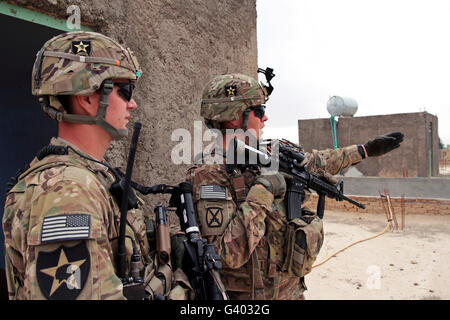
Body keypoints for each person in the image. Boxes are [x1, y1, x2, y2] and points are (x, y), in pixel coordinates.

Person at [2, 31, 191, 300]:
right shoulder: (68, 191)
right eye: (125, 91)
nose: (133, 104)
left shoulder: (91, 177)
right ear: (88, 98)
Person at [187, 73, 404, 300]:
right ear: (233, 118)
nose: (265, 118)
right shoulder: (209, 173)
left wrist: (364, 150)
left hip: (290, 291)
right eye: (258, 111)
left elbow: (316, 161)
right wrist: (263, 191)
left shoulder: (268, 152)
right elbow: (225, 254)